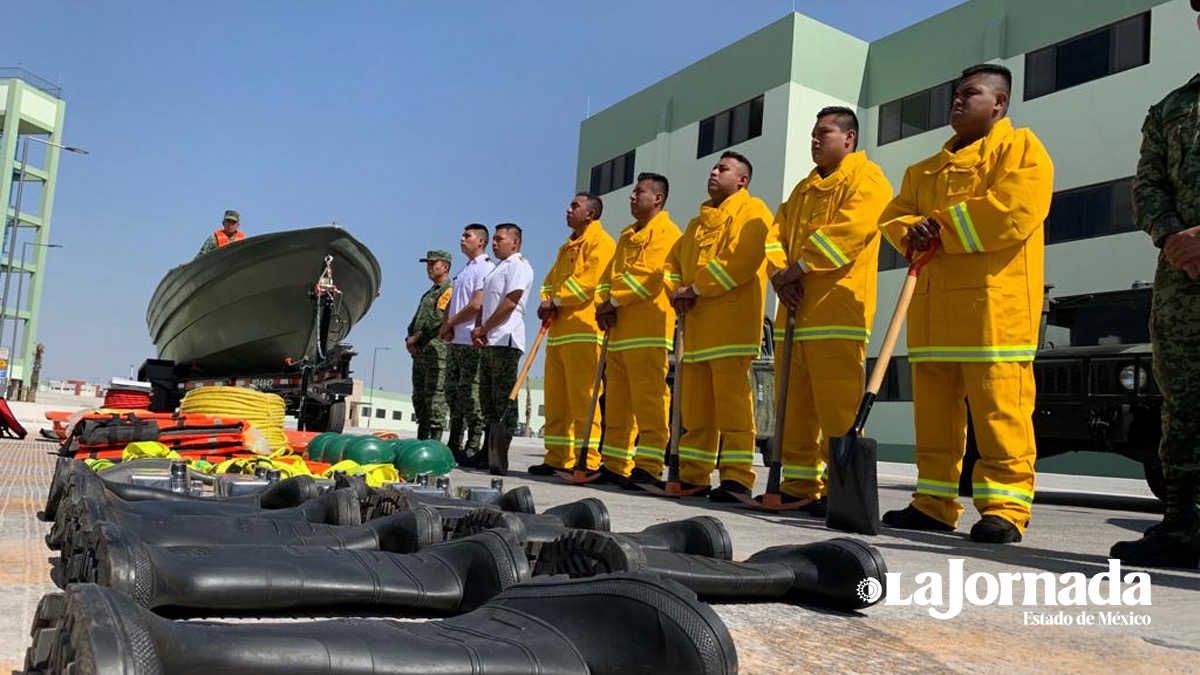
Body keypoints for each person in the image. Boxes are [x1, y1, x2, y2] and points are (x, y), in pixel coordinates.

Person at [878, 64, 1054, 544]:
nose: (956, 101)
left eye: (970, 94)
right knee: (933, 417)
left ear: (999, 104)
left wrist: (938, 227)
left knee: (1001, 413)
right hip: (933, 310)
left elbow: (1013, 212)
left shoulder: (1022, 151)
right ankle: (933, 503)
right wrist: (911, 231)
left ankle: (1005, 508)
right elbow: (893, 218)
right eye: (955, 94)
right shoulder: (923, 170)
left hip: (993, 309)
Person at [764, 106, 892, 512]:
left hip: (837, 313)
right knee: (794, 407)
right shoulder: (801, 190)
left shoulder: (867, 179)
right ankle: (800, 486)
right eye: (813, 134)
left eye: (824, 133)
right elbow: (774, 235)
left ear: (849, 139)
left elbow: (852, 230)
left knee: (838, 411)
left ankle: (841, 490)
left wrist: (797, 269)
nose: (815, 141)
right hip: (795, 313)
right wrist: (779, 276)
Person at [1112, 0, 1200, 569]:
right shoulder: (1171, 108)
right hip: (1182, 283)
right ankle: (1186, 527)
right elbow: (1147, 187)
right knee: (1184, 402)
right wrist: (1173, 237)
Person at [663, 151, 771, 501]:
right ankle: (694, 476)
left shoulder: (753, 211)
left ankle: (737, 479)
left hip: (731, 330)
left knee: (734, 410)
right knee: (695, 413)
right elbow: (671, 265)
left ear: (742, 180)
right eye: (713, 166)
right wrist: (676, 291)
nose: (713, 172)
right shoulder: (695, 225)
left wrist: (695, 288)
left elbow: (741, 260)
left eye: (723, 168)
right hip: (695, 333)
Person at [593, 173, 682, 484]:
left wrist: (612, 301)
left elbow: (649, 276)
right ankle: (614, 464)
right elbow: (608, 274)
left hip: (648, 330)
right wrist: (603, 301)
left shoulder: (667, 232)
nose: (632, 196)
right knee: (617, 403)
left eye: (640, 192)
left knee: (650, 401)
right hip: (619, 333)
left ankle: (649, 465)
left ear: (658, 198)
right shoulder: (626, 235)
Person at [529, 193, 616, 476]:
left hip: (584, 332)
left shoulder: (601, 243)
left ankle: (587, 459)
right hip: (558, 334)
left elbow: (588, 283)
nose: (568, 209)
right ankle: (556, 457)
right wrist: (546, 300)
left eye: (575, 206)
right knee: (557, 402)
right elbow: (549, 282)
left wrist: (555, 301)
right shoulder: (566, 247)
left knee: (583, 402)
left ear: (590, 214)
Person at [471, 224, 535, 449]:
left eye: (500, 239)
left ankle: (500, 449)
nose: (495, 243)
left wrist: (484, 328)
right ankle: (487, 448)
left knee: (502, 399)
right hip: (490, 340)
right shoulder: (497, 269)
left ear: (515, 243)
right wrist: (479, 329)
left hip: (505, 340)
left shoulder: (518, 265)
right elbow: (484, 304)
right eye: (494, 239)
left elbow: (510, 302)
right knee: (486, 399)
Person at [438, 224, 496, 466]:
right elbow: (452, 303)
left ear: (480, 241)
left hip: (471, 341)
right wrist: (447, 326)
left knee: (471, 397)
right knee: (453, 394)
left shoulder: (486, 267)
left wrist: (449, 323)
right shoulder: (464, 271)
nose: (462, 239)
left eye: (467, 236)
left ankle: (473, 445)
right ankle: (455, 443)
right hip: (456, 341)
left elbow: (476, 305)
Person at [406, 250, 453, 441]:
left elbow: (438, 319)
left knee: (435, 397)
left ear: (446, 267)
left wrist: (418, 338)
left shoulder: (448, 289)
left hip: (436, 351)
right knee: (420, 397)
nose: (429, 268)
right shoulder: (429, 293)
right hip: (421, 352)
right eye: (428, 264)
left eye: (433, 264)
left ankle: (433, 442)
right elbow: (416, 320)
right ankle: (422, 440)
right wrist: (409, 338)